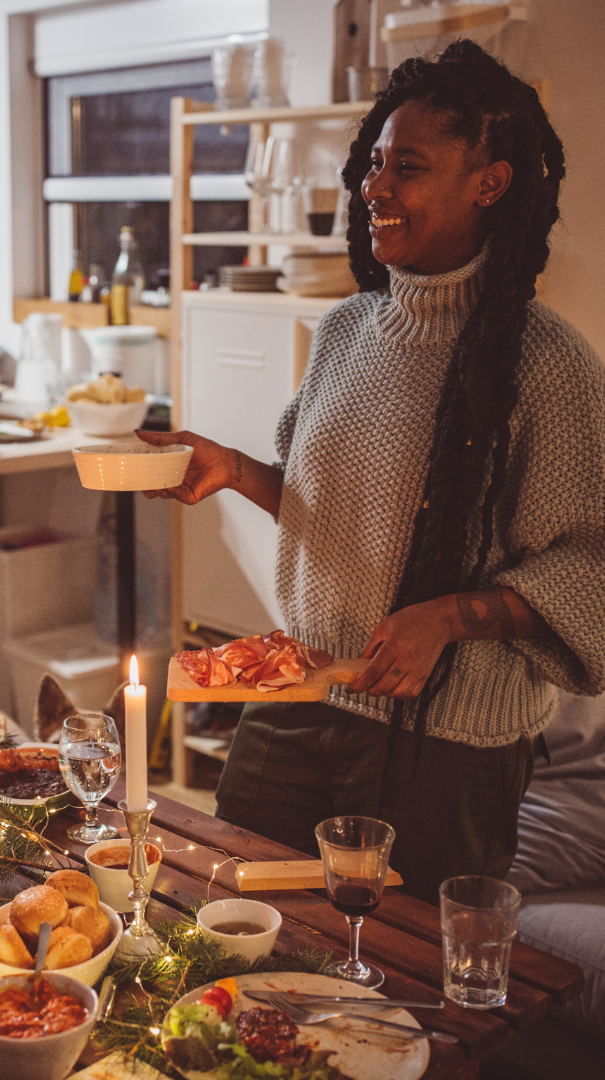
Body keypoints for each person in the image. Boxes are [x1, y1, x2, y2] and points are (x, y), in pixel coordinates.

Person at [140, 41, 605, 903]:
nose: (374, 187)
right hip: (301, 689)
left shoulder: (551, 366)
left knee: (396, 982)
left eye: (410, 167)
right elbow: (334, 510)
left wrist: (450, 618)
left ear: (490, 184)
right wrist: (236, 470)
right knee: (231, 914)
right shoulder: (348, 331)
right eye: (376, 163)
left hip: (451, 746)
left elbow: (591, 571)